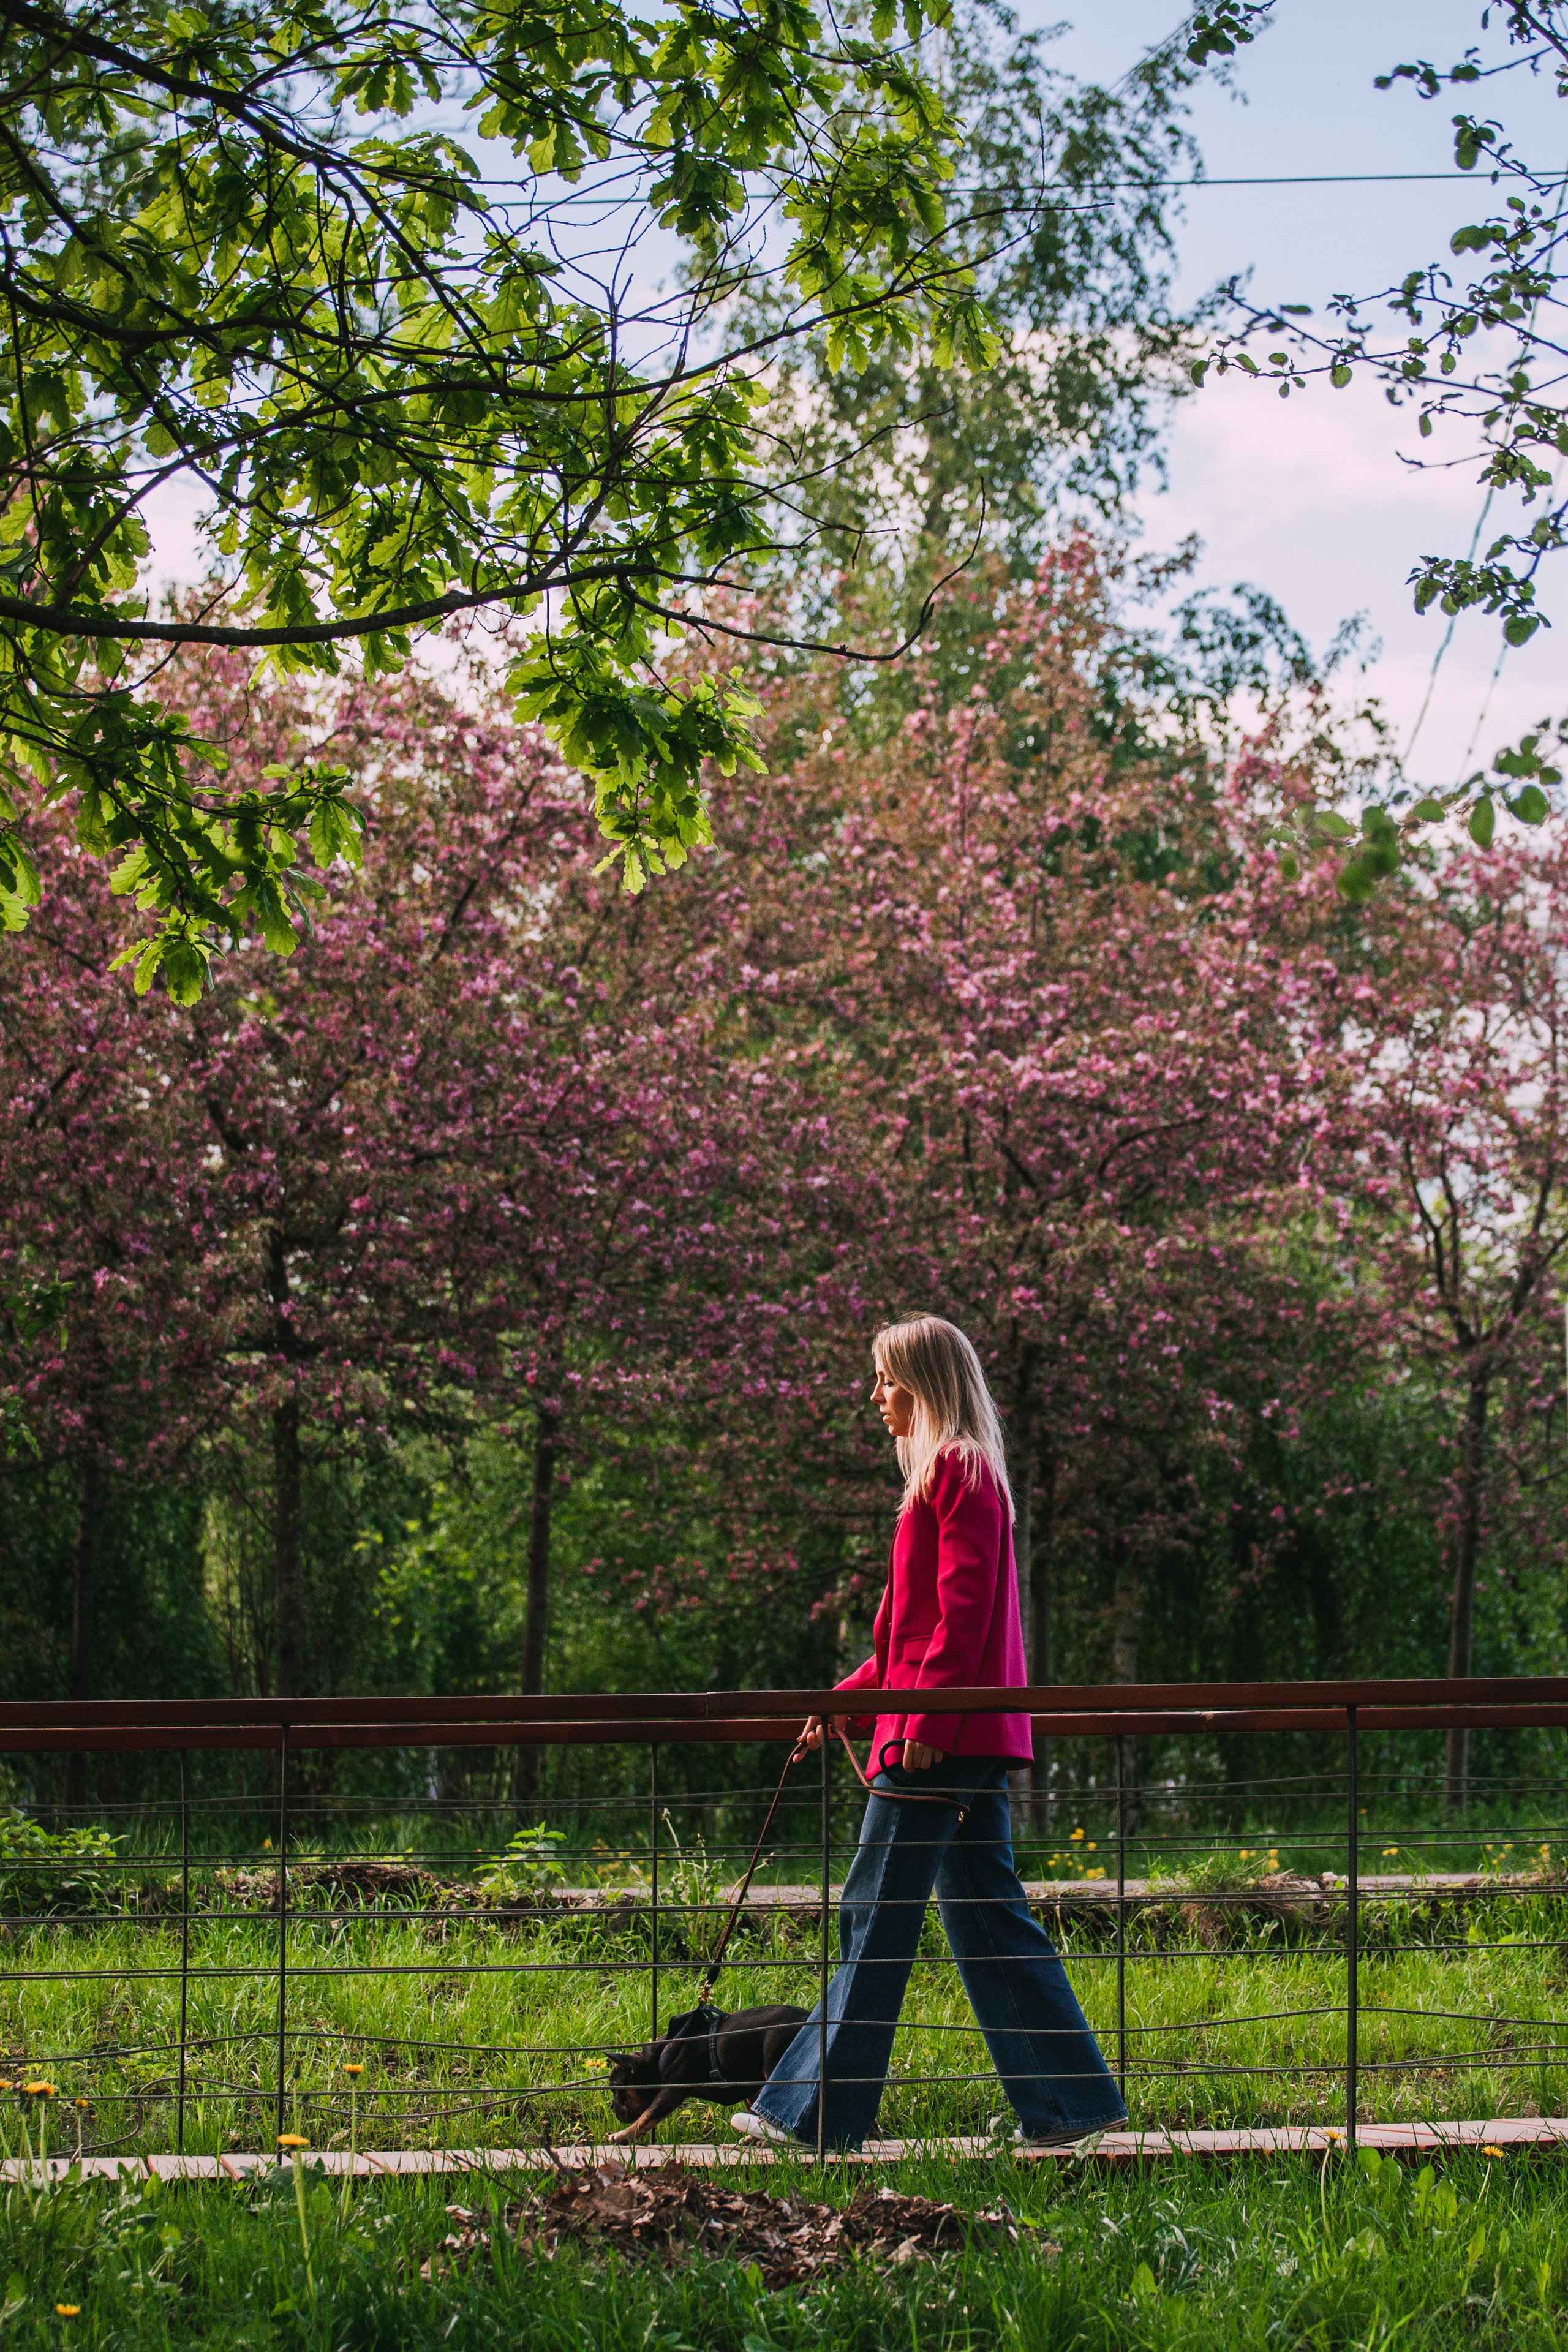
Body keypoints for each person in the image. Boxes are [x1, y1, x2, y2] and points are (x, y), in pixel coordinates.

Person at [732, 1313, 1128, 2154]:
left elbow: (962, 1619)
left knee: (875, 1911)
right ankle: (1072, 2109)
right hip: (947, 1730)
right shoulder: (949, 1475)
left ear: (927, 1386)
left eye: (887, 1380)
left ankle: (809, 2117)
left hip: (939, 1740)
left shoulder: (960, 1471)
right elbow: (908, 1646)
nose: (875, 1397)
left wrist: (927, 1723)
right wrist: (844, 1703)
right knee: (987, 1916)